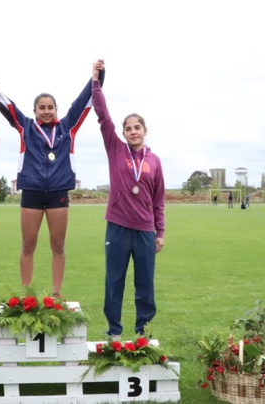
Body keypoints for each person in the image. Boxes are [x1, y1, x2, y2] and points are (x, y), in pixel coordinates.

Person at [0, 63, 105, 297]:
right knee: (28, 245)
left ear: (56, 109)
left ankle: (56, 293)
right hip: (32, 193)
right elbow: (7, 104)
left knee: (58, 246)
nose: (46, 111)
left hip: (58, 193)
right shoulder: (25, 127)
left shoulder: (68, 127)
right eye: (41, 108)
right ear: (35, 111)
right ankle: (28, 295)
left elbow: (85, 99)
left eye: (50, 107)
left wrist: (97, 77)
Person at [91, 60, 165, 339]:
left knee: (145, 284)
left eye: (137, 127)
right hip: (118, 227)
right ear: (122, 133)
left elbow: (158, 199)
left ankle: (143, 332)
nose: (132, 131)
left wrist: (160, 232)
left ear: (145, 130)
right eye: (128, 128)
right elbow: (103, 116)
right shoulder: (115, 150)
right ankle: (114, 332)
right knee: (115, 282)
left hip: (145, 230)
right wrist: (96, 82)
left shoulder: (154, 161)